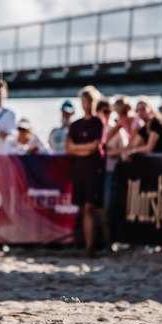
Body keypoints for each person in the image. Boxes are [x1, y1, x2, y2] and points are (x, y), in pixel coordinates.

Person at [66, 86, 105, 258]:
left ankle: (91, 247)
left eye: (90, 102)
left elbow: (95, 147)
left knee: (90, 207)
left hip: (93, 171)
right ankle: (86, 244)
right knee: (82, 209)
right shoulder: (76, 124)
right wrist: (84, 149)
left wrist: (78, 149)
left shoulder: (98, 122)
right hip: (79, 171)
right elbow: (69, 148)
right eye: (84, 102)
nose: (87, 105)